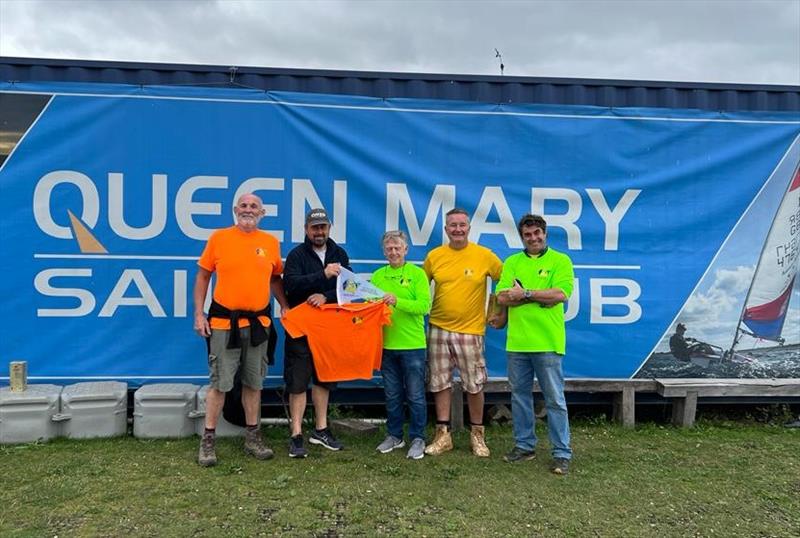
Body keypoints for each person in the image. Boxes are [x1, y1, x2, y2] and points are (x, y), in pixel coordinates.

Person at [193, 193, 288, 467]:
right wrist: (199, 314)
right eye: (244, 206)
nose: (248, 210)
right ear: (235, 210)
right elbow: (202, 275)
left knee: (253, 384)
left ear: (262, 212)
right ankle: (208, 441)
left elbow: (274, 278)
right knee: (219, 384)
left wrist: (284, 305)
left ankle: (253, 437)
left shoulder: (270, 242)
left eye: (254, 206)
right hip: (224, 325)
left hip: (259, 325)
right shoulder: (219, 238)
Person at [496, 214, 574, 475]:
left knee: (554, 399)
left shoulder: (560, 261)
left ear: (545, 233)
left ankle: (561, 453)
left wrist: (525, 293)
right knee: (519, 397)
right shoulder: (512, 262)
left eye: (537, 233)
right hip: (517, 343)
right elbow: (502, 296)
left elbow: (560, 294)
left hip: (548, 342)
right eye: (528, 234)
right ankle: (524, 446)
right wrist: (538, 297)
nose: (533, 238)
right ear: (522, 237)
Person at [422, 208, 503, 457]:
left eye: (462, 225)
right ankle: (443, 435)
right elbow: (420, 289)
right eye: (452, 225)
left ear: (469, 228)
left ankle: (477, 435)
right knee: (439, 382)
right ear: (446, 230)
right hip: (438, 328)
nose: (457, 229)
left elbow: (507, 280)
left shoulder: (484, 256)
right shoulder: (434, 256)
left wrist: (497, 311)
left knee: (475, 384)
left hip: (471, 331)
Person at [282, 208, 350, 458]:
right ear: (306, 229)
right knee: (298, 381)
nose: (319, 232)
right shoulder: (296, 255)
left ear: (329, 228)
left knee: (324, 378)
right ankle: (296, 434)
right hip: (301, 328)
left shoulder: (339, 253)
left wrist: (327, 295)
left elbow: (349, 288)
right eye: (315, 228)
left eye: (323, 227)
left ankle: (321, 429)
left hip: (330, 328)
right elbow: (290, 285)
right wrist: (321, 275)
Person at [371, 230, 431, 460]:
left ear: (406, 250)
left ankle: (418, 438)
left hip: (413, 345)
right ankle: (395, 435)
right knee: (392, 395)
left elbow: (424, 306)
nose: (394, 252)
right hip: (386, 345)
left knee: (415, 395)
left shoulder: (417, 274)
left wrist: (398, 301)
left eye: (398, 248)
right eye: (389, 249)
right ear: (384, 252)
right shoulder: (377, 276)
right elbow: (371, 306)